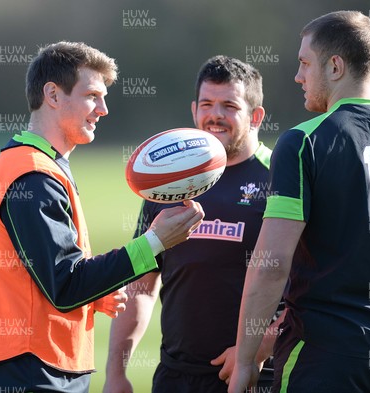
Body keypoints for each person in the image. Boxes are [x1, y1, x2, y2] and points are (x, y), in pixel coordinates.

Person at [229, 10, 370, 393]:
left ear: (335, 66)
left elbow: (271, 263)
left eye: (304, 63)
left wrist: (246, 360)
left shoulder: (303, 142)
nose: (298, 76)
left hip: (326, 356)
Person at [0, 41, 204, 393]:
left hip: (38, 365)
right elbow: (65, 285)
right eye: (93, 95)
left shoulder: (41, 165)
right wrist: (154, 243)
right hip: (31, 370)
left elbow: (47, 278)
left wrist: (94, 294)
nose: (104, 109)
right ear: (53, 94)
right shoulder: (32, 175)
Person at [103, 56, 284, 393]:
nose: (215, 114)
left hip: (251, 377)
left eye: (229, 105)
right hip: (174, 376)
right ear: (193, 110)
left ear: (256, 116)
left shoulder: (280, 178)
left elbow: (310, 291)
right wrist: (116, 373)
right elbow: (141, 285)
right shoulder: (169, 182)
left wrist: (254, 352)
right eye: (206, 104)